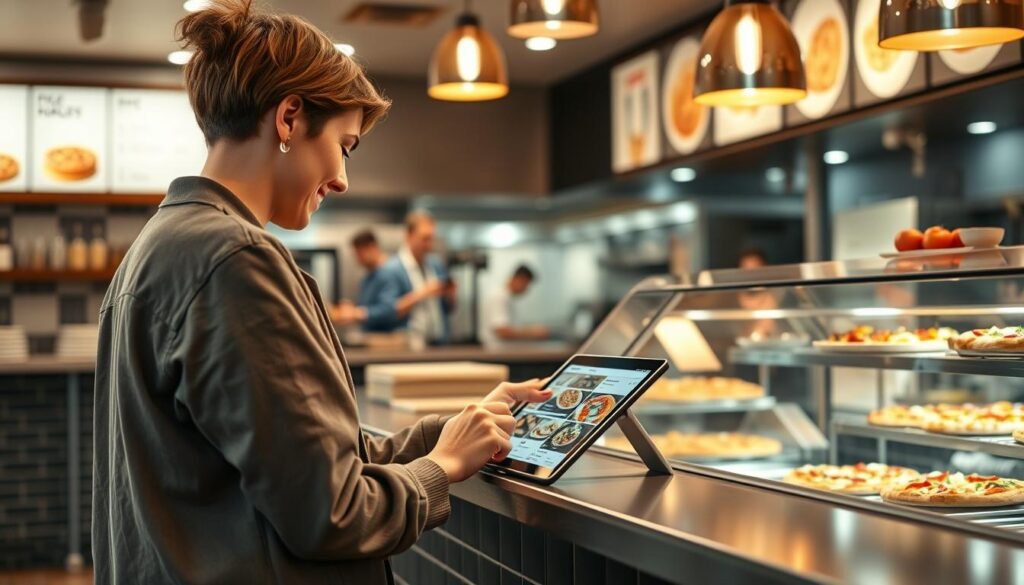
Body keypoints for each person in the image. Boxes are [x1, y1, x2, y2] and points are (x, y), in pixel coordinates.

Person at [91, 2, 551, 583]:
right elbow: (333, 514)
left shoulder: (157, 246)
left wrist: (452, 430)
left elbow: (310, 465)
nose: (342, 178)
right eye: (346, 145)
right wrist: (441, 467)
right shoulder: (236, 259)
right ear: (288, 119)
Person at [375, 210, 456, 344]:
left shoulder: (436, 264)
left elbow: (448, 309)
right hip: (409, 346)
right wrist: (423, 293)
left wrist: (451, 295)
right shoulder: (392, 269)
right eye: (425, 238)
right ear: (408, 235)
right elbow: (388, 312)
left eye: (431, 238)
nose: (429, 245)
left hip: (439, 343)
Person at [331, 229, 399, 331]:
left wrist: (356, 313)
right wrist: (352, 307)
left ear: (372, 247)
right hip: (370, 336)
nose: (357, 259)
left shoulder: (389, 272)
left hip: (387, 337)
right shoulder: (368, 277)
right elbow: (368, 306)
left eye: (359, 254)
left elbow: (389, 310)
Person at [479, 264, 550, 347]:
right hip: (497, 351)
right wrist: (533, 333)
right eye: (527, 285)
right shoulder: (499, 297)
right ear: (520, 279)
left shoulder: (507, 297)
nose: (526, 290)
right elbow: (502, 332)